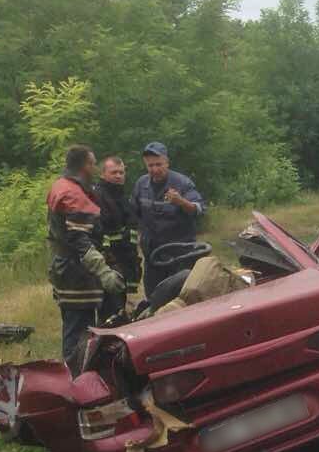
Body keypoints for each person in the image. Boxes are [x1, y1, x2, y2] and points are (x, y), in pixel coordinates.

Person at [46, 145, 126, 375]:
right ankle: (74, 380)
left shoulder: (61, 186)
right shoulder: (73, 195)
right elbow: (79, 240)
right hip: (76, 274)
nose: (95, 167)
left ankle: (80, 373)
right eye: (93, 163)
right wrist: (104, 272)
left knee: (76, 325)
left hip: (64, 269)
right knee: (78, 328)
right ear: (85, 166)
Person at [131, 141, 206, 296]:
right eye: (150, 166)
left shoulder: (182, 183)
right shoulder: (141, 184)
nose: (155, 169)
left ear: (167, 162)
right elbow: (134, 214)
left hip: (180, 257)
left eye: (159, 164)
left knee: (181, 299)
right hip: (153, 257)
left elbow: (199, 210)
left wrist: (181, 202)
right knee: (154, 299)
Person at [93, 155, 141, 308]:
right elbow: (100, 231)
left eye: (121, 172)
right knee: (109, 309)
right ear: (102, 174)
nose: (119, 176)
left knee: (119, 306)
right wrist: (109, 261)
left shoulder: (120, 195)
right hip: (109, 262)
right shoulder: (98, 196)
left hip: (124, 260)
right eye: (114, 172)